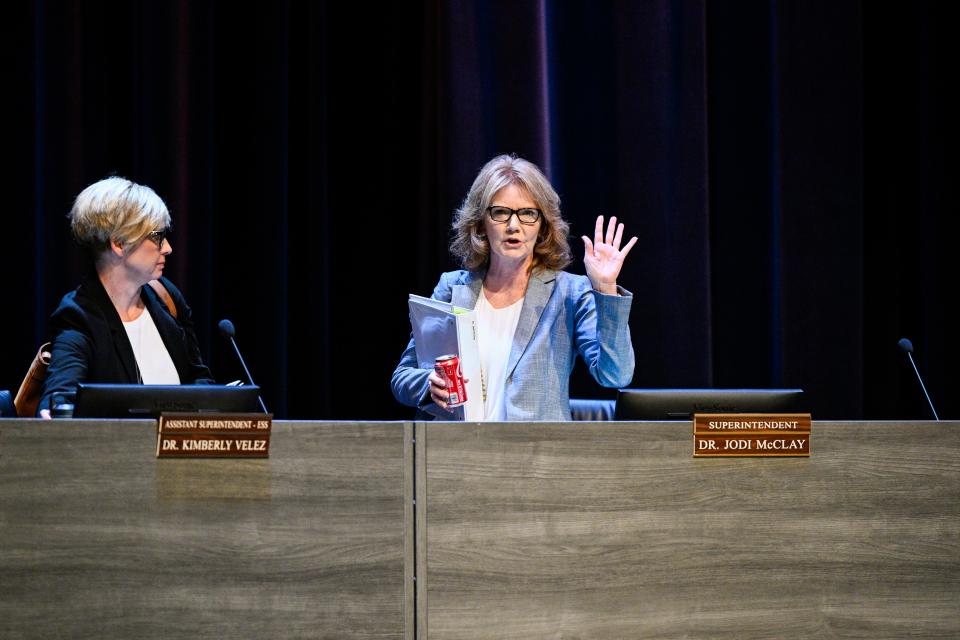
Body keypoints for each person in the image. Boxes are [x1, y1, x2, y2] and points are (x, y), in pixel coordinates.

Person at [391, 154, 637, 421]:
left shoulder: (570, 293)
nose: (513, 226)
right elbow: (403, 377)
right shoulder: (452, 288)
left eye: (528, 213)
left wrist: (606, 288)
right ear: (481, 224)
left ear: (542, 227)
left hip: (534, 456)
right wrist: (428, 383)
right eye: (500, 213)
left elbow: (615, 375)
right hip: (457, 455)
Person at [37, 176, 214, 417]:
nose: (167, 248)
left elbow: (198, 378)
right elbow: (60, 399)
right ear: (119, 244)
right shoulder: (78, 316)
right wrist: (55, 412)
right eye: (157, 236)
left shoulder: (166, 297)